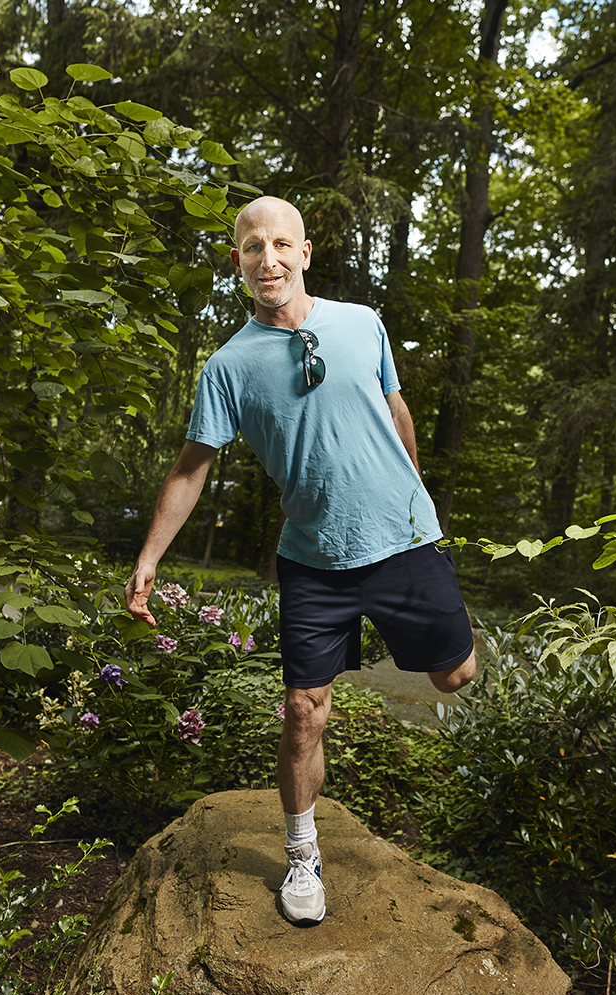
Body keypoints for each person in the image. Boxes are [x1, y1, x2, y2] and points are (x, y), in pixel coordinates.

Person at [124, 196, 476, 926]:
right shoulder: (227, 367)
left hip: (406, 538)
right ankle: (303, 853)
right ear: (238, 263)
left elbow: (395, 406)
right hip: (314, 560)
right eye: (253, 247)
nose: (269, 258)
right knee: (301, 712)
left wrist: (420, 497)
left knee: (455, 675)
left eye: (282, 244)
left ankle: (444, 635)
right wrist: (150, 556)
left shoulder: (360, 322)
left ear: (306, 253)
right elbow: (191, 468)